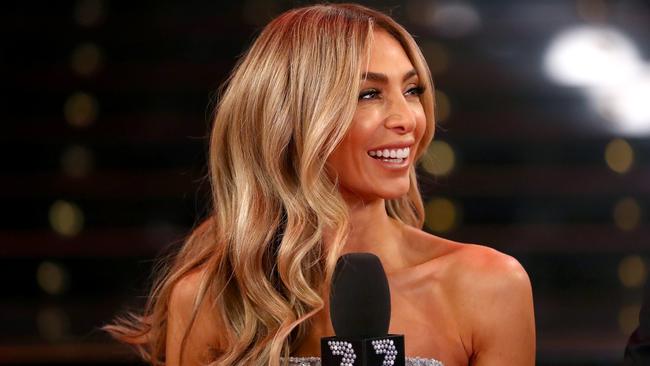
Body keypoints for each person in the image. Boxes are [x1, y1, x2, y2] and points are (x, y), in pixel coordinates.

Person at [105, 3, 535, 366]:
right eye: (368, 94)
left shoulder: (488, 285)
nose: (406, 119)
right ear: (293, 118)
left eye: (412, 90)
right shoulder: (211, 299)